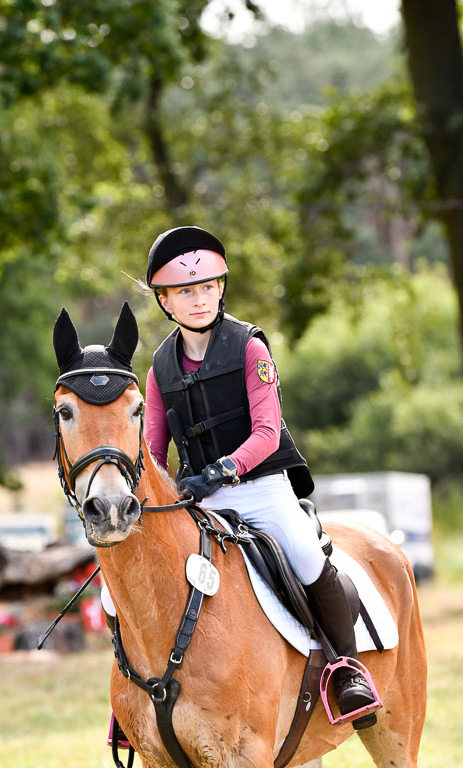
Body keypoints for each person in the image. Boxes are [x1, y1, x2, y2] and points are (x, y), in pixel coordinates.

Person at [144, 225, 377, 730]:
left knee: (305, 554)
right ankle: (138, 694)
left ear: (222, 288)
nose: (199, 299)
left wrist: (222, 470)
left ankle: (347, 668)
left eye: (207, 287)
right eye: (185, 291)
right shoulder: (160, 368)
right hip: (199, 503)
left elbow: (268, 432)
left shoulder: (249, 347)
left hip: (261, 488)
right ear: (165, 300)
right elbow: (154, 451)